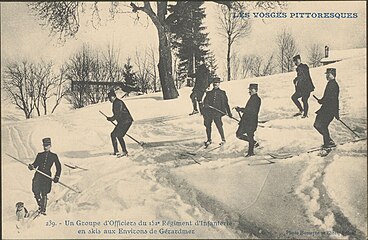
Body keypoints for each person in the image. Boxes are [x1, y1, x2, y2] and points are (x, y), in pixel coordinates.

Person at [28, 138, 61, 215]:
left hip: (46, 176)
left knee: (44, 192)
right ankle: (40, 204)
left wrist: (57, 176)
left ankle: (43, 209)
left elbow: (58, 167)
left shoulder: (54, 156)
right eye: (44, 145)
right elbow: (35, 164)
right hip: (38, 175)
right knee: (35, 190)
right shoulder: (40, 155)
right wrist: (31, 166)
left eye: (47, 145)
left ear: (50, 146)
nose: (45, 147)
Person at [202, 77, 232, 147]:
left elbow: (226, 103)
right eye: (214, 83)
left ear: (219, 84)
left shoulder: (222, 93)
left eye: (217, 83)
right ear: (213, 84)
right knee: (208, 126)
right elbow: (205, 102)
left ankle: (223, 139)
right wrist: (206, 104)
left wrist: (229, 112)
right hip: (209, 112)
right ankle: (209, 140)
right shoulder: (209, 93)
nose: (215, 84)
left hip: (217, 113)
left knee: (219, 125)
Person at [314, 68, 340, 148]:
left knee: (322, 125)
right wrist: (322, 101)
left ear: (332, 74)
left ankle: (328, 143)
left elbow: (334, 99)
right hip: (325, 109)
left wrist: (336, 113)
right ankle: (328, 140)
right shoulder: (330, 84)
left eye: (328, 74)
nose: (327, 76)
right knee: (317, 124)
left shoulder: (334, 85)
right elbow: (326, 97)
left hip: (329, 110)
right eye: (326, 74)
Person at [235, 84, 262, 157]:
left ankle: (251, 152)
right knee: (238, 134)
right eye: (249, 89)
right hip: (245, 121)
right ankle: (254, 143)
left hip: (251, 121)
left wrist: (241, 109)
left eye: (252, 89)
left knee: (250, 136)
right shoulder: (252, 98)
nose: (250, 91)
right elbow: (248, 110)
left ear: (256, 90)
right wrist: (241, 109)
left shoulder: (257, 99)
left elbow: (252, 111)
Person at [106, 90, 134, 156]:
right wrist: (111, 118)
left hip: (125, 121)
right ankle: (124, 151)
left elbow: (118, 114)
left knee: (113, 135)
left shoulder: (118, 103)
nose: (109, 100)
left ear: (113, 97)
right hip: (125, 121)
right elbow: (117, 114)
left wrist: (111, 119)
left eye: (110, 98)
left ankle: (117, 152)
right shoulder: (116, 102)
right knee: (119, 136)